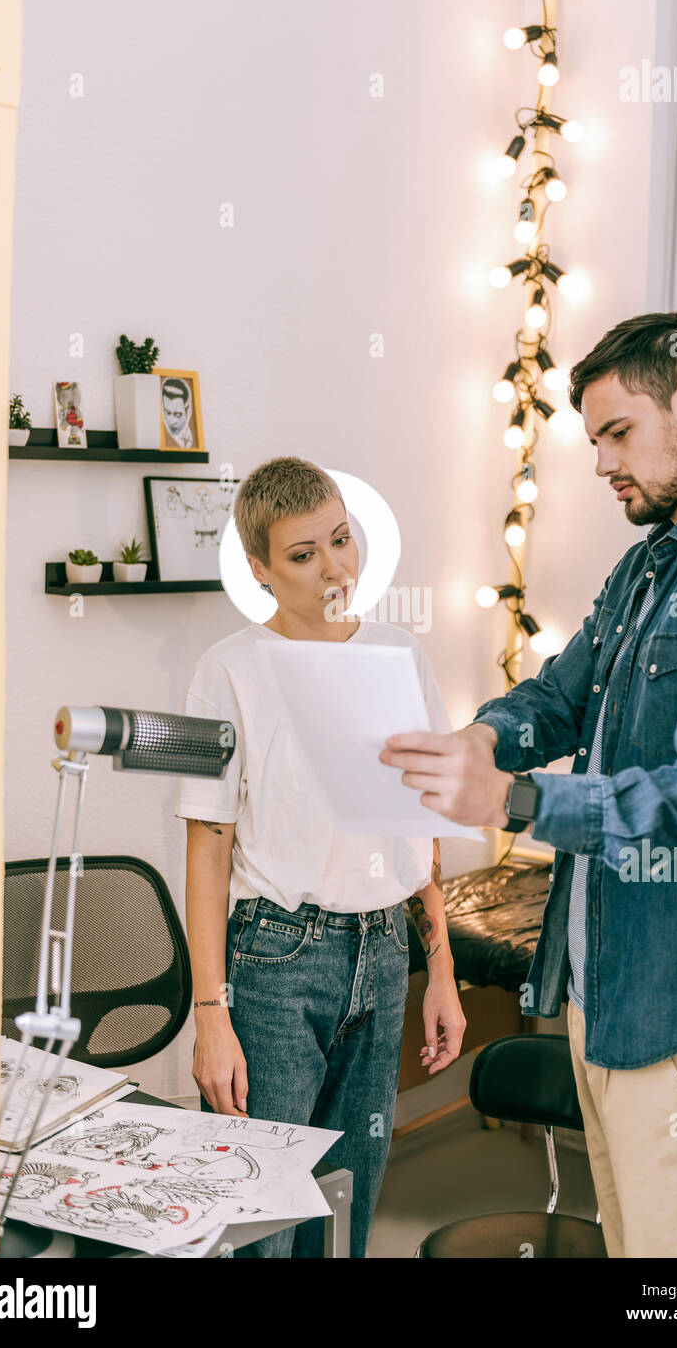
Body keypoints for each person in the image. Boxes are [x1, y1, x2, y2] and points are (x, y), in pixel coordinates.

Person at [380, 311, 677, 1258]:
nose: (604, 462)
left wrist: (517, 803)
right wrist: (476, 744)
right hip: (612, 1000)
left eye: (618, 433)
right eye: (594, 441)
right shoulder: (649, 564)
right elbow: (559, 697)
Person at [175, 455, 466, 1257]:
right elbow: (206, 848)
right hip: (273, 961)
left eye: (341, 539)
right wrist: (211, 1017)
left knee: (345, 1212)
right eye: (304, 555)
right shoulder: (225, 672)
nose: (335, 567)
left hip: (384, 948)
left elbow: (421, 830)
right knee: (256, 1220)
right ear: (263, 571)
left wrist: (439, 972)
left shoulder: (401, 656)